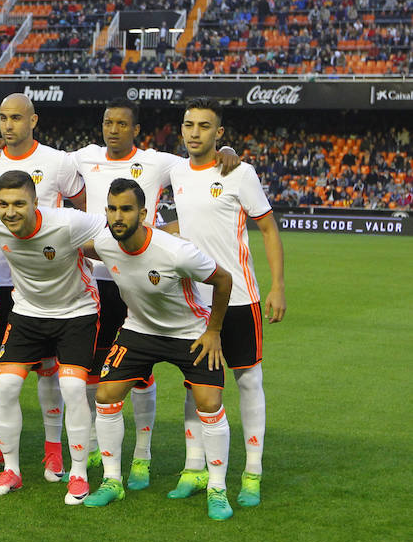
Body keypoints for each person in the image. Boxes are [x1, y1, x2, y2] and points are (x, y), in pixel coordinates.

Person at [71, 99, 240, 490]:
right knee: (104, 386)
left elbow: (197, 163)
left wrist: (226, 151)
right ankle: (111, 478)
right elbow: (78, 239)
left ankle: (207, 481)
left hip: (184, 323)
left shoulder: (160, 169)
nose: (112, 129)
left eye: (121, 123)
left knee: (207, 401)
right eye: (106, 122)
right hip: (121, 303)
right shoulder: (85, 163)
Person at [82, 178, 235, 520]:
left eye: (125, 209)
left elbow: (223, 280)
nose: (117, 216)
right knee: (106, 394)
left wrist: (214, 330)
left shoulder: (175, 252)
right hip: (139, 330)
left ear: (144, 213)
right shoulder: (107, 241)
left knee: (209, 403)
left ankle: (218, 488)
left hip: (190, 332)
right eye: (112, 208)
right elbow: (83, 248)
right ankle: (111, 481)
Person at [169, 97, 285, 507]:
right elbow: (187, 221)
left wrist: (277, 286)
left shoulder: (240, 172)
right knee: (194, 386)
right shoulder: (176, 170)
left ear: (219, 134)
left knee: (248, 381)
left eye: (203, 126)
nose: (194, 132)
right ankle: (194, 468)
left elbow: (268, 229)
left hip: (238, 299)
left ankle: (252, 472)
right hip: (194, 302)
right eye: (188, 124)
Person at [0, 92, 86, 482]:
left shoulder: (57, 161)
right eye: (3, 117)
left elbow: (83, 209)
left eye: (16, 118)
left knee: (48, 372)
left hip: (49, 283)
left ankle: (53, 450)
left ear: (33, 121)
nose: (8, 126)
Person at [0, 170, 106, 505]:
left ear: (36, 202)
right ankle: (12, 470)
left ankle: (78, 474)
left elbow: (114, 227)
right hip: (27, 313)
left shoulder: (67, 223)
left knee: (73, 387)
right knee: (5, 386)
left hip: (76, 311)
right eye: (3, 204)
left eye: (19, 203)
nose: (10, 212)